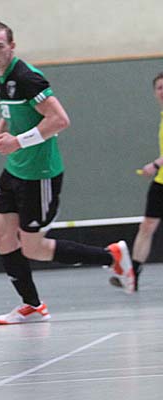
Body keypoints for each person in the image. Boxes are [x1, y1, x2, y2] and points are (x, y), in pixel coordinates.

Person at [0, 20, 135, 325]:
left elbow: (60, 120)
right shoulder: (2, 78)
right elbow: (8, 115)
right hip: (15, 169)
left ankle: (112, 257)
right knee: (1, 236)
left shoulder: (28, 78)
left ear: (12, 46)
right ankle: (32, 305)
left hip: (40, 174)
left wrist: (17, 142)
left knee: (34, 248)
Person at [110, 72, 163, 291]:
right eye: (159, 88)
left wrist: (156, 164)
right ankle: (133, 273)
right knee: (147, 226)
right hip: (161, 182)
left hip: (159, 172)